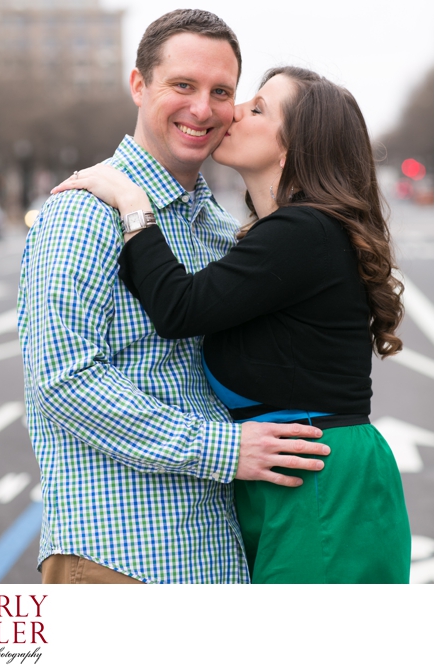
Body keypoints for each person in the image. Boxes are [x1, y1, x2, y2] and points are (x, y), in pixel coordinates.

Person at [53, 66, 411, 583]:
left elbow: (180, 308)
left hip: (320, 478)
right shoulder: (284, 231)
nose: (235, 111)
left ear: (293, 148)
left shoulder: (303, 229)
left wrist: (133, 204)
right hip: (293, 467)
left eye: (258, 108)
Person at [18, 9, 329, 584]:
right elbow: (62, 380)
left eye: (222, 92)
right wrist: (225, 449)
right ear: (139, 85)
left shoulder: (217, 225)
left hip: (217, 551)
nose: (203, 108)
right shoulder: (82, 212)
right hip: (118, 553)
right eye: (182, 85)